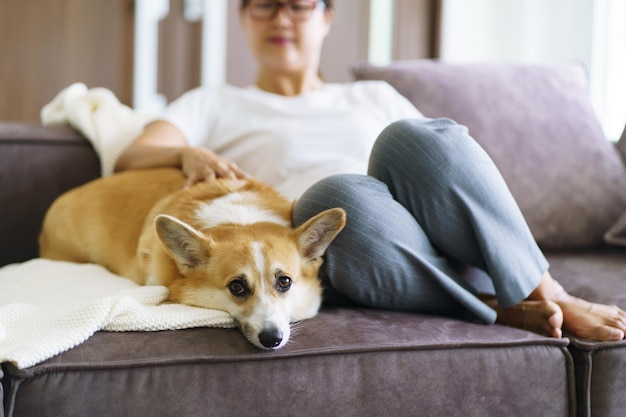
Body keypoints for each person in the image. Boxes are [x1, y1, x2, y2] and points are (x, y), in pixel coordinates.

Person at [114, 0, 626, 341]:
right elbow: (131, 157)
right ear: (243, 17)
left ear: (327, 16)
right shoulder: (217, 102)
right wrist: (184, 154)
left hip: (438, 232)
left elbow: (452, 164)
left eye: (299, 5)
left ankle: (545, 289)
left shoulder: (370, 96)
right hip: (345, 249)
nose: (281, 19)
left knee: (414, 137)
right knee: (337, 198)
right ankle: (497, 306)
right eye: (264, 5)